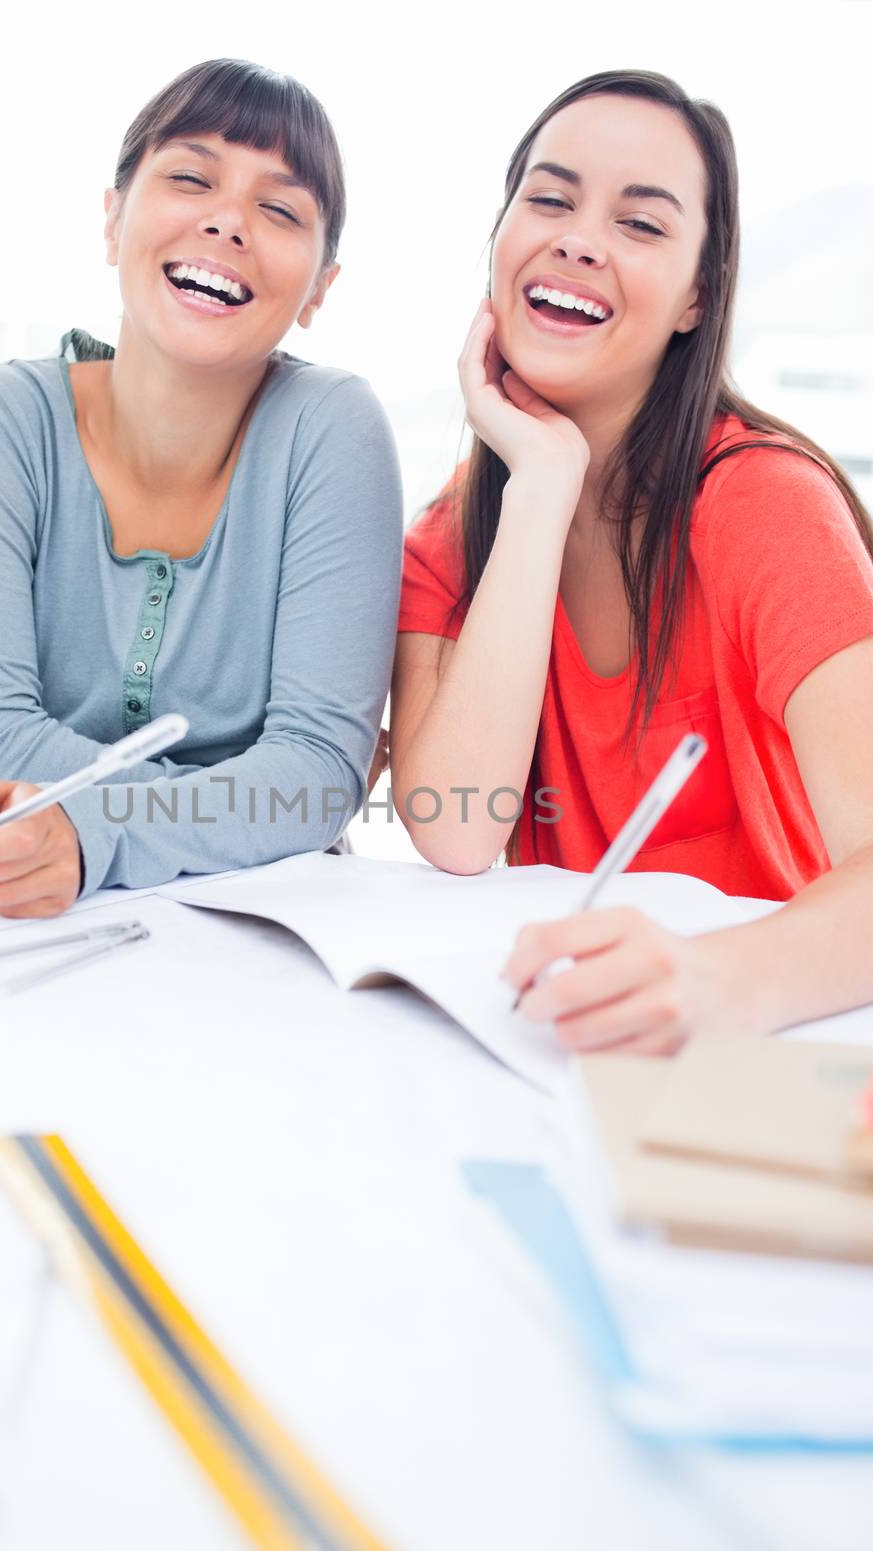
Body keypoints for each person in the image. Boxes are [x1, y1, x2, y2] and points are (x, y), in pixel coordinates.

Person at [390, 69, 873, 1054]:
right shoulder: (452, 534)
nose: (578, 238)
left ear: (698, 295)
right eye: (550, 198)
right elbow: (457, 826)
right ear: (500, 240)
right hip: (551, 1038)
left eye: (642, 224)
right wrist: (540, 486)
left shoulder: (763, 505)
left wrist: (715, 979)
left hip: (767, 1045)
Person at [0, 58, 402, 918]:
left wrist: (103, 828)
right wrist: (252, 794)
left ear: (321, 287)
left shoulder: (332, 430)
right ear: (112, 219)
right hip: (6, 919)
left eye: (280, 210)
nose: (226, 222)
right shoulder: (4, 422)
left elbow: (317, 776)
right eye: (189, 178)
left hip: (259, 925)